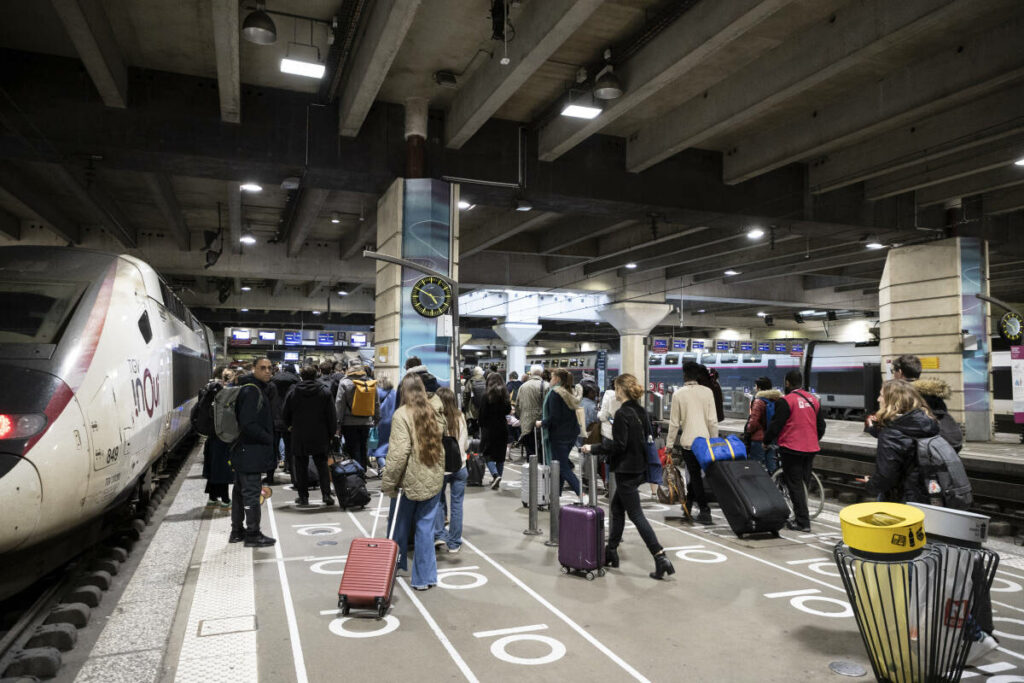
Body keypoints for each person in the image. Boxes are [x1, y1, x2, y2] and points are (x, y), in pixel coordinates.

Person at [583, 374, 674, 580]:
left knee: (636, 515)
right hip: (638, 468)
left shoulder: (623, 414)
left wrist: (593, 448)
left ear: (621, 390)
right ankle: (611, 551)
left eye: (616, 388)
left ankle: (660, 557)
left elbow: (618, 445)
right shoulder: (641, 411)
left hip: (626, 470)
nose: (614, 392)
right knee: (616, 508)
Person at [382, 374, 445, 591]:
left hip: (407, 483)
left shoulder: (401, 415)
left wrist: (388, 482)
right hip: (433, 479)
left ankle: (393, 568)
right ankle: (424, 578)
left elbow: (399, 454)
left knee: (398, 526)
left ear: (404, 392)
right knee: (425, 529)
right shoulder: (434, 412)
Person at [764, 369, 826, 533]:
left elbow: (776, 425)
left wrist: (766, 441)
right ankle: (801, 515)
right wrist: (812, 439)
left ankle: (802, 522)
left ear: (787, 383)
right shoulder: (814, 400)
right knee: (803, 483)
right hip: (811, 448)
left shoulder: (786, 401)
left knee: (795, 485)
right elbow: (821, 426)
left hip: (792, 448)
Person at [229, 357, 276, 547]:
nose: (267, 371)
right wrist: (268, 438)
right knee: (251, 493)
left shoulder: (251, 388)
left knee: (240, 493)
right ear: (254, 369)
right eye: (262, 368)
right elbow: (247, 423)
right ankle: (253, 534)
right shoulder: (251, 391)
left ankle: (236, 531)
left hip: (243, 450)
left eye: (269, 368)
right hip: (250, 451)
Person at [666, 361, 719, 525]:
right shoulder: (707, 392)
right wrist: (714, 441)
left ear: (684, 375)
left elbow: (674, 423)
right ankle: (688, 505)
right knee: (700, 477)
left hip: (689, 443)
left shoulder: (679, 394)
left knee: (695, 476)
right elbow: (712, 421)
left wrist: (669, 445)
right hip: (705, 442)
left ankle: (704, 510)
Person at [282, 364, 336, 506]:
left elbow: (285, 413)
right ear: (316, 374)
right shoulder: (324, 392)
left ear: (301, 375)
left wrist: (289, 426)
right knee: (322, 466)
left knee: (301, 467)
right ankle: (326, 495)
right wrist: (331, 433)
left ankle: (303, 497)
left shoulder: (293, 392)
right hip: (320, 434)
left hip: (299, 434)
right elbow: (331, 415)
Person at [886, 354, 962, 452]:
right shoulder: (934, 394)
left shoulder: (904, 395)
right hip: (946, 444)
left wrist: (872, 427)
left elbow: (897, 429)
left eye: (893, 371)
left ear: (900, 372)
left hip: (924, 452)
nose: (893, 375)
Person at [433, 387, 468, 553]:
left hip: (441, 469)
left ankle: (439, 535)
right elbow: (465, 443)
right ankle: (454, 542)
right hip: (460, 466)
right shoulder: (460, 417)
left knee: (438, 502)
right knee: (457, 505)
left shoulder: (435, 418)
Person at [540, 368, 581, 496]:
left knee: (562, 467)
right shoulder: (570, 393)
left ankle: (583, 495)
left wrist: (542, 423)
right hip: (571, 435)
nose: (551, 380)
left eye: (552, 377)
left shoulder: (555, 393)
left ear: (557, 379)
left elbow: (554, 417)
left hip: (559, 436)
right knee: (559, 466)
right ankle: (556, 496)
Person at [336, 359, 379, 471]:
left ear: (349, 367)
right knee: (363, 447)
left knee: (352, 448)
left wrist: (338, 423)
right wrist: (376, 418)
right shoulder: (370, 382)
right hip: (366, 421)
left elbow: (339, 404)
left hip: (349, 422)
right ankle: (363, 470)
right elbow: (376, 402)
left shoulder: (344, 382)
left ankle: (356, 473)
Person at [202, 368, 233, 508]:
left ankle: (212, 498)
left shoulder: (208, 390)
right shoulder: (223, 393)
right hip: (222, 437)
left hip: (211, 437)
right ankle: (225, 499)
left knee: (213, 467)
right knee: (223, 469)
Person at [479, 372, 512, 489]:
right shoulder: (505, 395)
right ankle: (497, 479)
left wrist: (481, 426)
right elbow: (508, 410)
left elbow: (482, 414)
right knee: (500, 455)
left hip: (489, 428)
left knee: (486, 453)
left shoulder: (485, 395)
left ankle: (495, 475)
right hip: (502, 427)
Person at [744, 376, 782, 474]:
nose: (755, 388)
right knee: (772, 466)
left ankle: (757, 487)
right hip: (772, 437)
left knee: (756, 467)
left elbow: (753, 422)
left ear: (759, 388)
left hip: (758, 439)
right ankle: (774, 485)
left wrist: (748, 431)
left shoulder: (759, 401)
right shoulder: (777, 400)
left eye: (755, 386)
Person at [269, 363, 299, 477]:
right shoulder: (296, 383)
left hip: (274, 418)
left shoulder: (272, 382)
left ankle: (270, 474)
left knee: (273, 448)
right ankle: (292, 472)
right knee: (291, 448)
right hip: (290, 420)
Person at [515, 365, 547, 458]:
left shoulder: (523, 387)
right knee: (542, 451)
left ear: (531, 373)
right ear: (541, 373)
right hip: (542, 424)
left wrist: (521, 417)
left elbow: (517, 405)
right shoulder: (546, 385)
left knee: (530, 451)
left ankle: (531, 469)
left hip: (526, 424)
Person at [372, 376, 396, 472]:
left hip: (380, 422)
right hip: (393, 422)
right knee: (389, 447)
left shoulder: (376, 392)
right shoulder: (394, 392)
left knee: (378, 449)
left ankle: (383, 466)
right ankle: (388, 467)